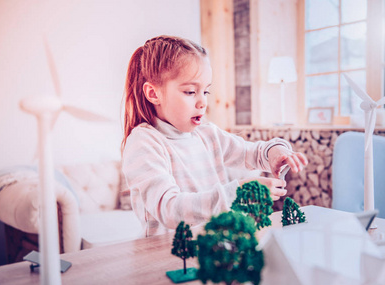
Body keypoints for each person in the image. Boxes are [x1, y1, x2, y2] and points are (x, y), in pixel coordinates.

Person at [121, 35, 308, 237]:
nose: (202, 102)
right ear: (153, 94)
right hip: (167, 255)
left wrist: (276, 153)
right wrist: (237, 193)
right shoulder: (144, 143)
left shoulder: (207, 134)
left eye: (206, 92)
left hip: (214, 247)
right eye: (191, 92)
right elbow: (170, 209)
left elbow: (253, 152)